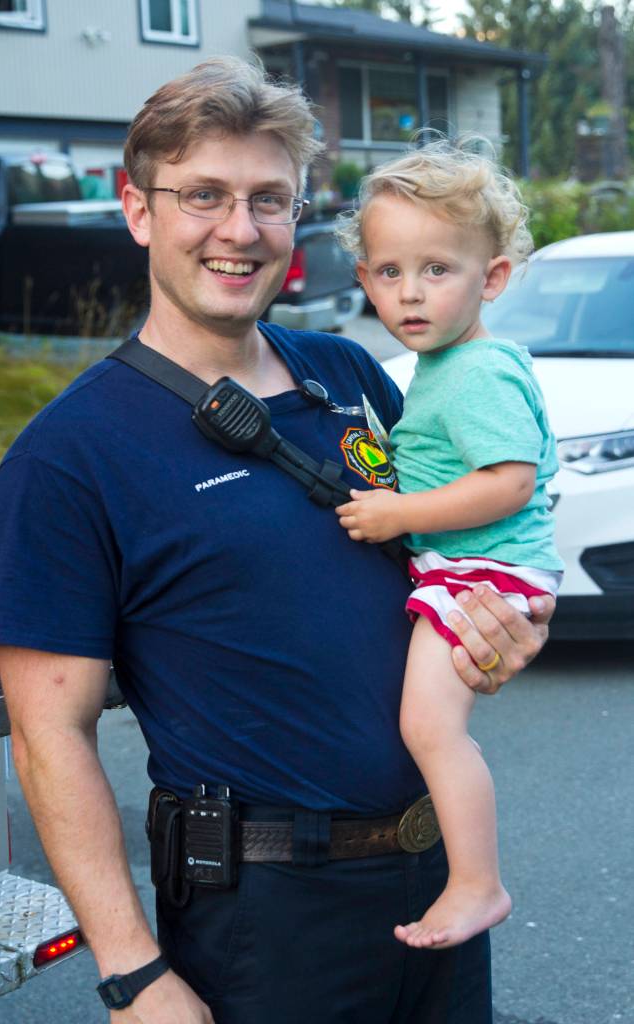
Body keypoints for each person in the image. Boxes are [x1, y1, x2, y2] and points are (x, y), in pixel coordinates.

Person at [0, 59, 554, 1024]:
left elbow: (446, 556)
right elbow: (50, 737)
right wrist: (131, 973)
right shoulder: (69, 456)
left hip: (438, 878)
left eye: (267, 200)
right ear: (137, 210)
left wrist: (498, 637)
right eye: (203, 195)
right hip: (267, 916)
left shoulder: (348, 375)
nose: (238, 231)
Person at [335, 142, 563, 951]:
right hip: (473, 565)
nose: (410, 293)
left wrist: (400, 514)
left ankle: (477, 884)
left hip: (484, 569)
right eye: (389, 272)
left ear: (490, 278)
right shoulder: (440, 364)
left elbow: (507, 481)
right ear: (363, 281)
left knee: (430, 728)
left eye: (437, 269)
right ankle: (470, 879)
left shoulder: (472, 372)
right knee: (428, 724)